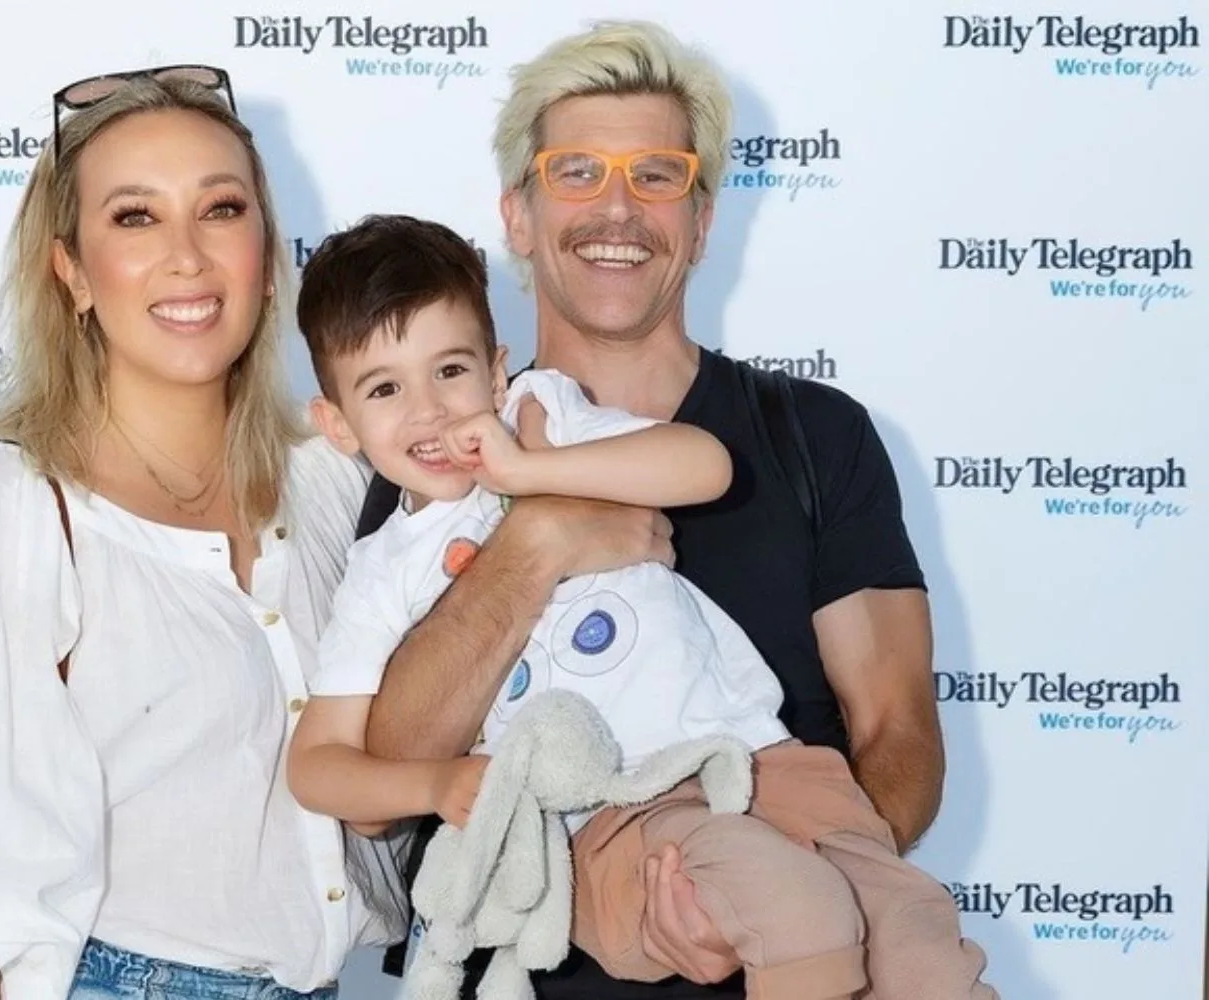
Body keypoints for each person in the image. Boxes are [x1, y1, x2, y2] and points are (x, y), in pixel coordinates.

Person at [354, 21, 954, 1000]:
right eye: (579, 171)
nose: (619, 209)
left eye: (658, 175)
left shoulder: (815, 436)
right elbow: (390, 767)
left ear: (703, 219)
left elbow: (898, 725)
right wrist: (538, 542)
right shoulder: (436, 455)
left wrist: (789, 891)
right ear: (517, 214)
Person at [286, 215, 996, 1000]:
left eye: (449, 370)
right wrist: (435, 785)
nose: (429, 411)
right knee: (797, 912)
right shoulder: (381, 568)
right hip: (620, 810)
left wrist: (530, 469)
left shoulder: (542, 416)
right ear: (338, 426)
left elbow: (705, 465)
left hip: (760, 758)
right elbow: (321, 766)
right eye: (385, 389)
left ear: (496, 372)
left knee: (919, 937)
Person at [0, 67, 405, 1000]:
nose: (187, 256)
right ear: (72, 273)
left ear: (265, 255)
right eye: (135, 218)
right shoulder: (4, 512)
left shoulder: (336, 482)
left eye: (220, 210)